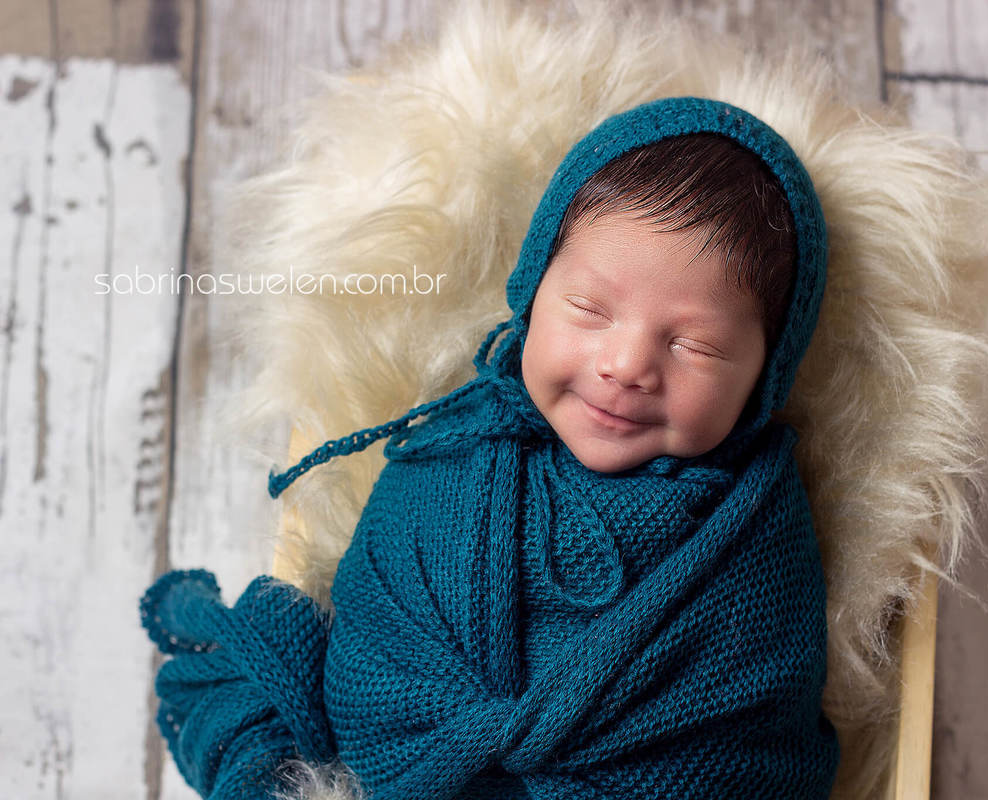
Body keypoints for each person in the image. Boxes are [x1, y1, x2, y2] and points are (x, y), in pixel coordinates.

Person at [140, 96, 840, 800]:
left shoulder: (757, 539)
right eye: (590, 310)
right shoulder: (457, 457)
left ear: (763, 377)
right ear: (532, 296)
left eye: (695, 344)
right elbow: (375, 642)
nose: (627, 363)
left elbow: (749, 736)